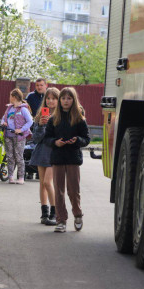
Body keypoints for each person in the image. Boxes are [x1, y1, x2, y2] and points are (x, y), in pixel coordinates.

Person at [44, 87, 90, 233]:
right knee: (58, 191)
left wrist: (77, 140)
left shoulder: (79, 119)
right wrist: (55, 142)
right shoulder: (53, 119)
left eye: (69, 98)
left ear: (73, 100)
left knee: (73, 190)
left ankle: (78, 214)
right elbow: (46, 138)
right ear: (60, 100)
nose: (66, 101)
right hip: (57, 159)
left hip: (73, 159)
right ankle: (61, 220)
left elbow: (86, 139)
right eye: (63, 98)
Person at [30, 87, 60, 226]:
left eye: (54, 98)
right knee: (42, 184)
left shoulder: (61, 117)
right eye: (48, 98)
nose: (50, 101)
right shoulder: (40, 115)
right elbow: (36, 138)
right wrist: (41, 125)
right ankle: (44, 214)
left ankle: (55, 212)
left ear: (58, 100)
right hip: (41, 152)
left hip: (54, 153)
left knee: (48, 182)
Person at [0, 88, 33, 184]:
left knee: (18, 157)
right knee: (10, 157)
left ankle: (21, 177)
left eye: (10, 96)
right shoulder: (9, 108)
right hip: (8, 135)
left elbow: (30, 121)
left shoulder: (23, 109)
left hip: (19, 137)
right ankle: (10, 177)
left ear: (14, 97)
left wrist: (21, 130)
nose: (9, 98)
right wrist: (3, 123)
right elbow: (3, 118)